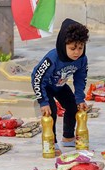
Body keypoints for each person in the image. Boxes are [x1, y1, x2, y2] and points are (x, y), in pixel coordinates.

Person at [31, 18, 89, 156]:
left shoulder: (82, 59)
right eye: (72, 48)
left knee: (72, 106)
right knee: (51, 112)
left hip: (60, 85)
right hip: (46, 87)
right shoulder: (52, 58)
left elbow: (80, 79)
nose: (77, 52)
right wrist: (43, 101)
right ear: (63, 45)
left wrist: (80, 98)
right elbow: (37, 78)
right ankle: (52, 142)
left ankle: (68, 137)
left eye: (80, 48)